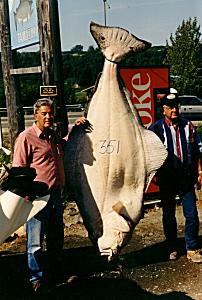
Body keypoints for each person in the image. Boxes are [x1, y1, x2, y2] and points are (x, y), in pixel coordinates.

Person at [12, 98, 85, 293]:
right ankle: (36, 278)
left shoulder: (53, 136)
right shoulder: (26, 138)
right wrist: (26, 199)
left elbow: (65, 145)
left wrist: (75, 129)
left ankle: (56, 272)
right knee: (35, 242)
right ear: (35, 115)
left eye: (50, 113)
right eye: (43, 113)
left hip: (54, 196)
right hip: (36, 199)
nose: (48, 116)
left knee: (56, 238)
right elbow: (18, 171)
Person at [149, 91, 202, 263]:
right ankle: (172, 246)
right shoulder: (155, 129)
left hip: (186, 177)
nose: (174, 110)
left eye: (176, 106)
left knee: (192, 214)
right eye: (170, 107)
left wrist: (200, 172)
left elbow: (198, 150)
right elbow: (149, 154)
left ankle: (192, 248)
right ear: (163, 109)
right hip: (167, 179)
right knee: (169, 215)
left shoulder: (188, 126)